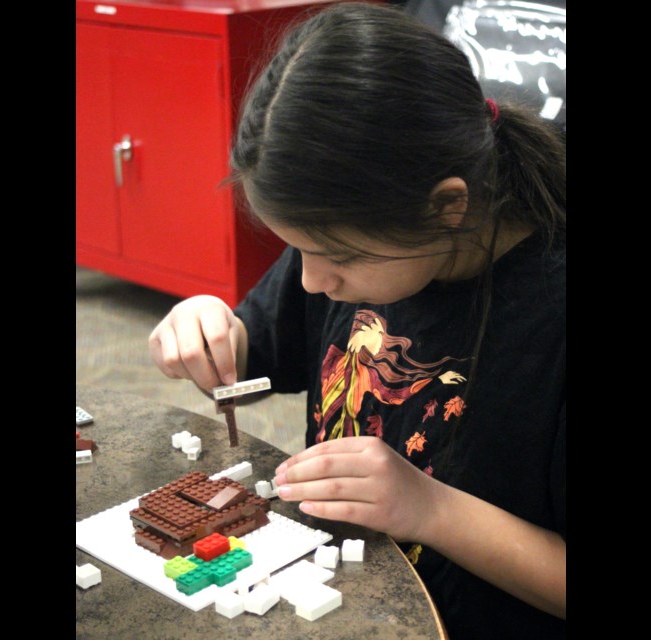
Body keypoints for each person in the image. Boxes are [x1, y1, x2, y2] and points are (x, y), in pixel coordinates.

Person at [148, 3, 565, 638]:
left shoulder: (548, 312)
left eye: (337, 256)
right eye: (301, 250)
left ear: (448, 207)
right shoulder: (369, 231)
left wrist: (429, 509)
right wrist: (209, 327)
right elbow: (249, 353)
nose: (313, 281)